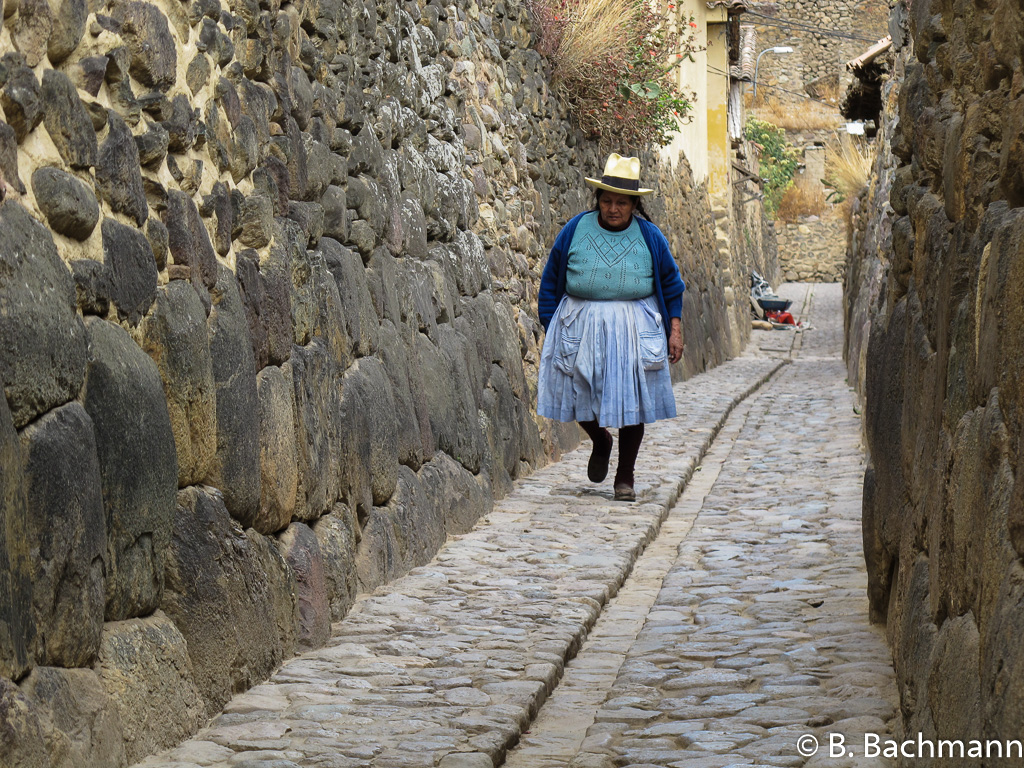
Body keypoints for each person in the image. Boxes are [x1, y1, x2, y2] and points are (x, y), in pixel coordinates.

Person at [536, 153, 685, 501]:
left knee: (633, 398)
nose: (613, 208)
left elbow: (671, 283)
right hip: (579, 323)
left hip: (634, 326)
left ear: (634, 204)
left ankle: (625, 476)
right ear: (597, 200)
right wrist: (550, 324)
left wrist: (674, 329)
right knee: (576, 390)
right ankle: (600, 439)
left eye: (621, 202)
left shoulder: (650, 236)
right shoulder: (575, 229)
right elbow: (551, 278)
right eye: (606, 201)